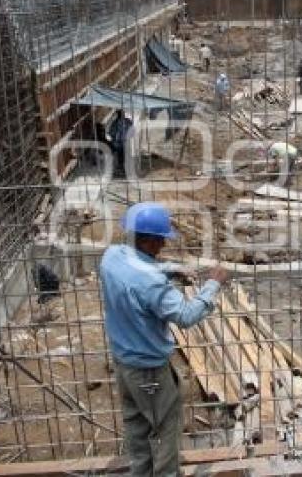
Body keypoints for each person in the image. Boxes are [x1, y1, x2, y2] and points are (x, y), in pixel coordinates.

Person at [100, 202, 228, 477]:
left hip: (125, 364)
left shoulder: (111, 257)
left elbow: (137, 267)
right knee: (166, 428)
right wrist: (212, 285)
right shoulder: (151, 283)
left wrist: (170, 269)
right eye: (160, 241)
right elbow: (184, 315)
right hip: (149, 371)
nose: (163, 246)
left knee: (136, 427)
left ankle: (141, 473)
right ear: (148, 240)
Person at [107, 110, 133, 178]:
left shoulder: (115, 123)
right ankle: (125, 171)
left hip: (119, 143)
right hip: (123, 143)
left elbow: (110, 133)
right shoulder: (128, 122)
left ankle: (122, 170)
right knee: (125, 157)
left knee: (121, 157)